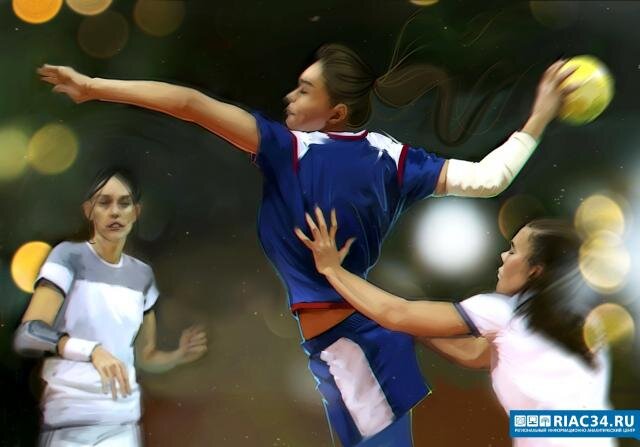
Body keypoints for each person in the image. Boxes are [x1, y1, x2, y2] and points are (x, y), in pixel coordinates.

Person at [37, 43, 575, 446]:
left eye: (303, 89)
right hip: (355, 339)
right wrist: (540, 117)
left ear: (336, 112)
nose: (289, 97)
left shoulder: (289, 149)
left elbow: (190, 103)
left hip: (355, 344)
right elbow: (491, 178)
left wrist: (96, 86)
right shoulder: (393, 157)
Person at [296, 208, 617, 447]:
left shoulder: (502, 312)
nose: (503, 256)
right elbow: (476, 353)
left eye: (513, 251)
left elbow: (395, 313)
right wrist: (416, 329)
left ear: (535, 271)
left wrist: (332, 269)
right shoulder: (583, 322)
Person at [13, 168, 208, 447]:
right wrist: (91, 350)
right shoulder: (67, 257)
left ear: (136, 212)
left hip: (122, 426)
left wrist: (177, 355)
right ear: (89, 210)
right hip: (70, 424)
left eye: (124, 203)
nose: (115, 212)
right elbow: (28, 333)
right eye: (104, 203)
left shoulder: (142, 276)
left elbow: (145, 356)